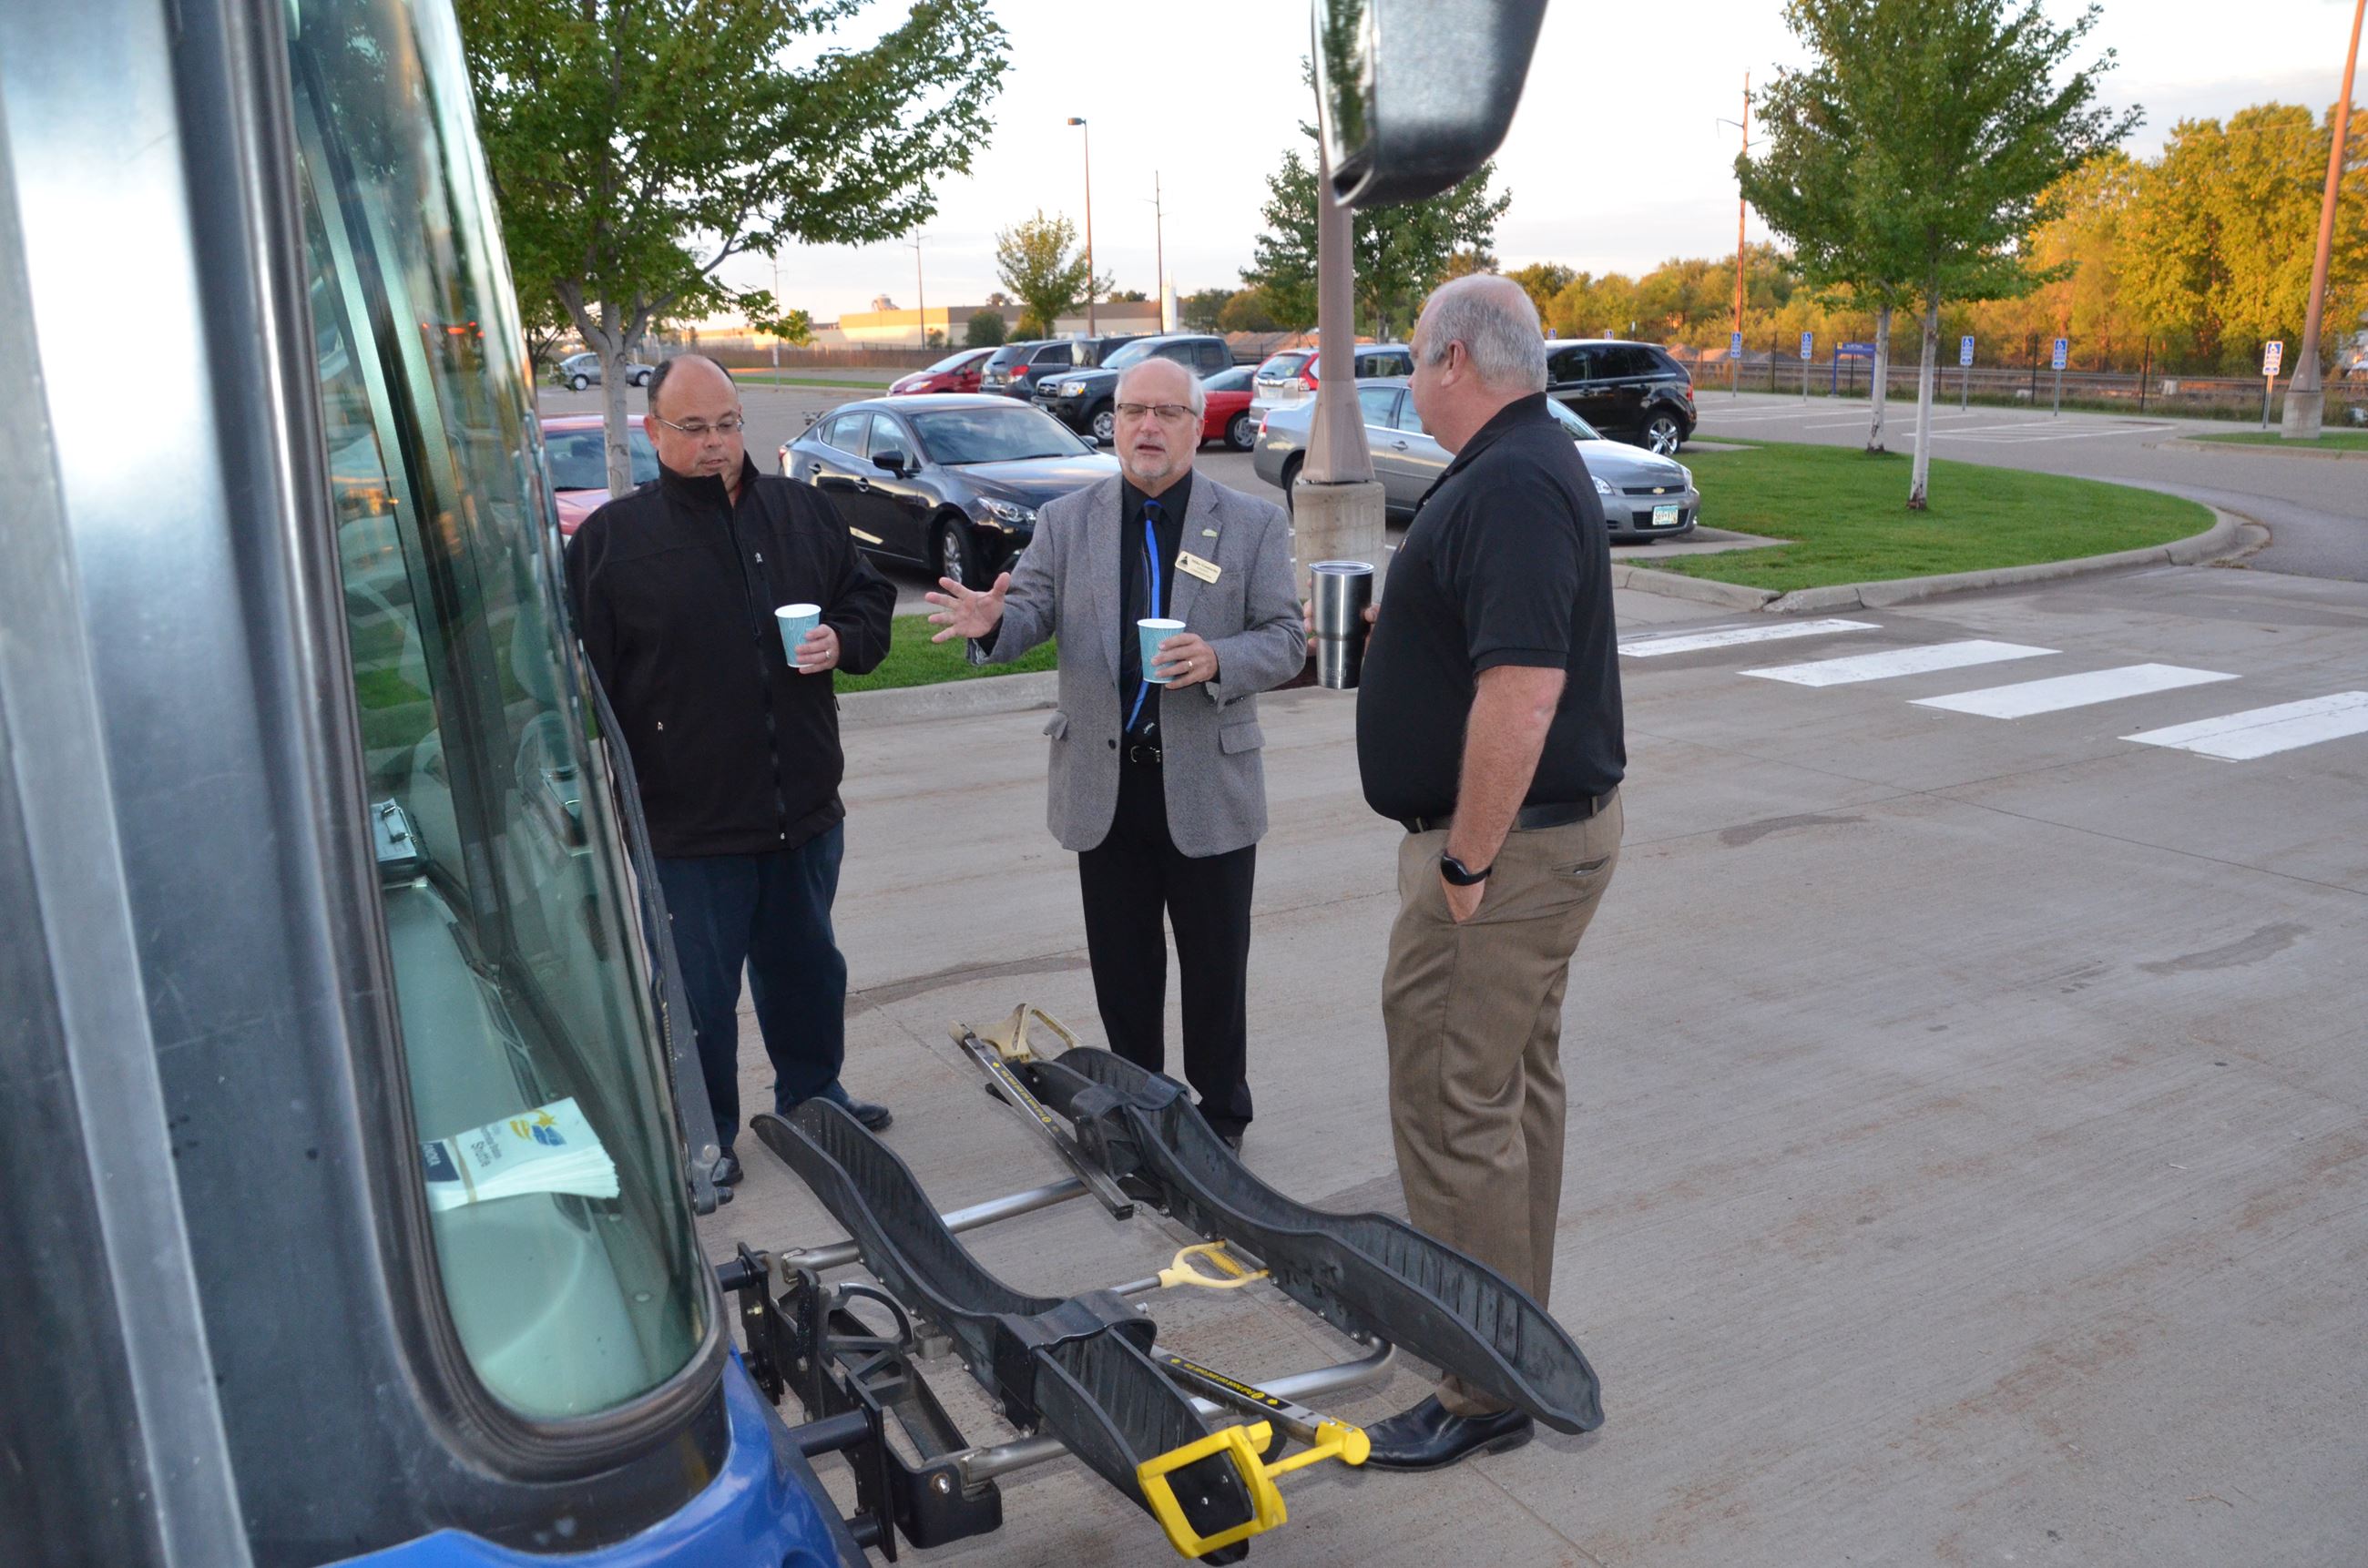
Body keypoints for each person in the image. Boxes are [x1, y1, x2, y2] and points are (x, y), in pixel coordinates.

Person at [1352, 275, 1626, 1469]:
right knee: (1512, 1088)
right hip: (1542, 844)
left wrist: (1466, 858)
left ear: (1455, 358)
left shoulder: (1514, 479)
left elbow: (1524, 692)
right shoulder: (1524, 462)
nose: (1410, 383)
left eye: (1415, 362)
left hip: (1507, 856)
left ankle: (1482, 1380)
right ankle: (1518, 1338)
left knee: (1455, 1103)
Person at [925, 356, 1303, 1150]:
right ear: (1115, 422)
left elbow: (1286, 638)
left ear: (1196, 426)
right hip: (1108, 785)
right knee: (1125, 973)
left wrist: (1221, 660)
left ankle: (1220, 1119)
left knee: (1213, 971)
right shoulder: (1070, 521)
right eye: (1134, 411)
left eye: (1167, 412)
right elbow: (1025, 611)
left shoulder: (1253, 522)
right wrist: (990, 624)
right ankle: (1139, 1109)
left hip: (1208, 783)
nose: (1148, 427)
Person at [565, 354, 897, 1186]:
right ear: (653, 433)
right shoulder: (614, 542)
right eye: (695, 429)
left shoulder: (802, 514)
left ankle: (814, 1101)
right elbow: (579, 685)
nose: (716, 445)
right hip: (686, 824)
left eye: (728, 425)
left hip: (803, 811)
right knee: (699, 1001)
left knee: (808, 972)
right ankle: (702, 1135)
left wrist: (843, 641)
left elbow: (870, 604)